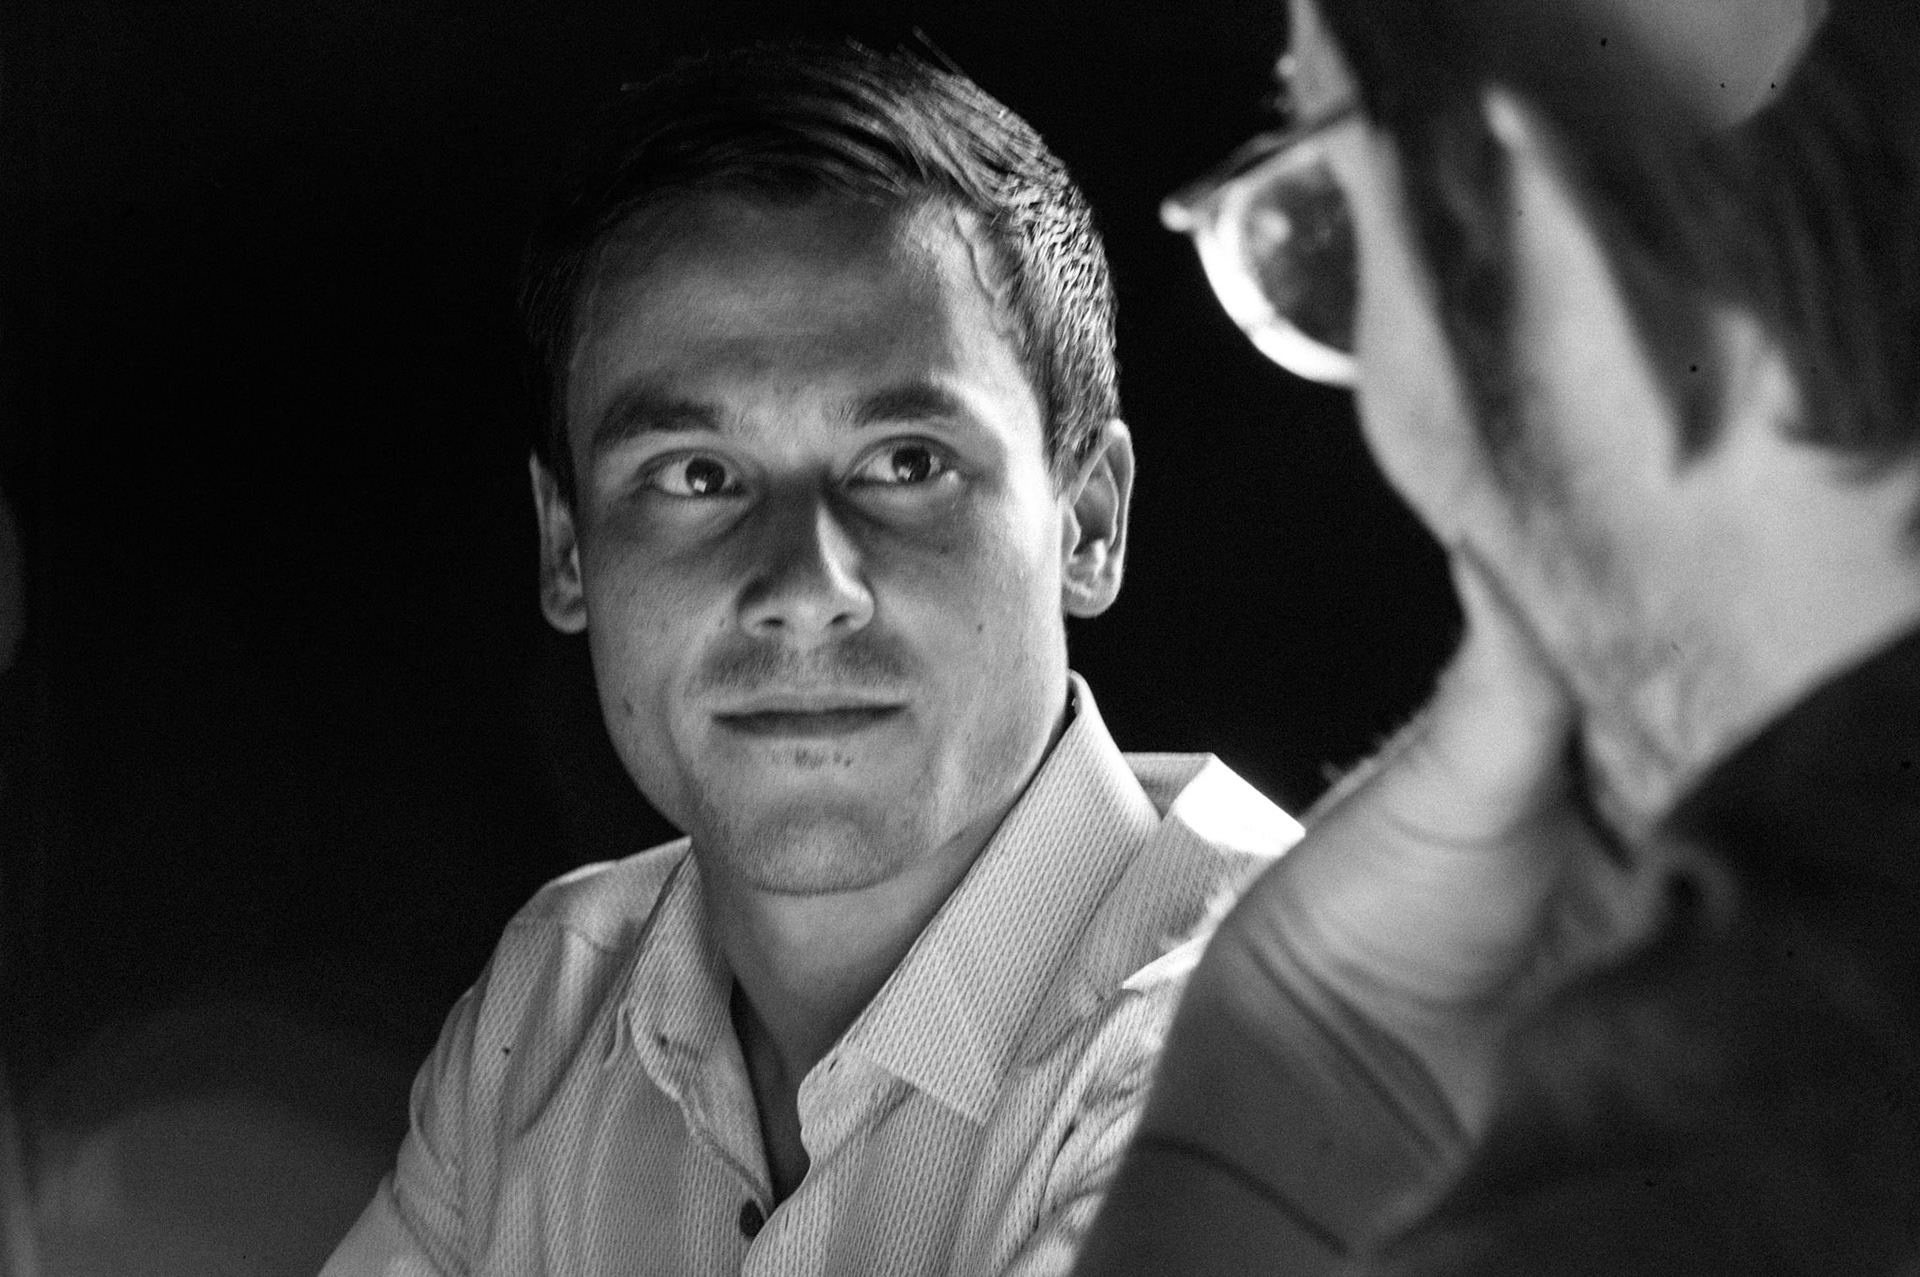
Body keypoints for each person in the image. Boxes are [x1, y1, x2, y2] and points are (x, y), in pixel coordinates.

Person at [321, 42, 1300, 1277]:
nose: (802, 587)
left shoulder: (1283, 1055)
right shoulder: (553, 995)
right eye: (696, 475)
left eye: (907, 463)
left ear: (1088, 522)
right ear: (568, 547)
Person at [1072, 0, 1920, 1271]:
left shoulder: (1697, 1181)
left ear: (1546, 214)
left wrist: (1263, 1114)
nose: (1390, 422)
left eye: (1325, 229)